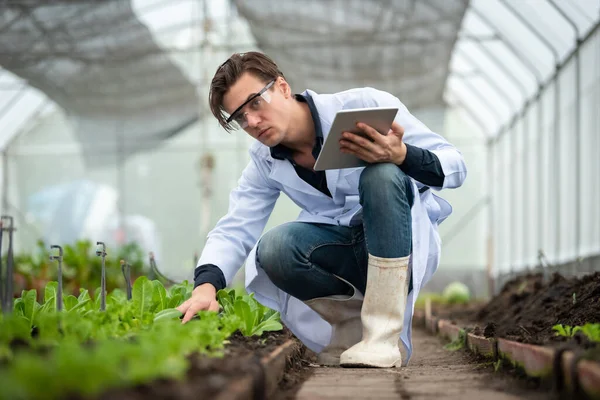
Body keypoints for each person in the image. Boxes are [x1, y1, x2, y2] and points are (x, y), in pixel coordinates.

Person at [176, 52, 467, 368]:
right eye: (240, 118)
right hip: (343, 253)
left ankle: (382, 335)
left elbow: (455, 164)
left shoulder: (362, 106)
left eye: (255, 103)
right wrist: (206, 287)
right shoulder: (265, 160)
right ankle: (351, 328)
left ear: (283, 88)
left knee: (381, 174)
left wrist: (402, 155)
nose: (252, 122)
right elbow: (236, 225)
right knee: (274, 248)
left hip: (399, 245)